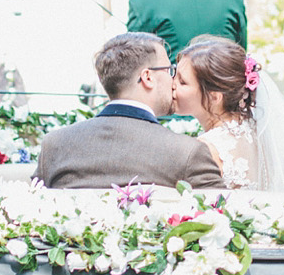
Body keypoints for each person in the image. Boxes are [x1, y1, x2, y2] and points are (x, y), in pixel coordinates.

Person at [35, 32, 223, 190]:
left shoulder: (54, 145)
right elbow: (222, 221)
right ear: (148, 77)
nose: (173, 81)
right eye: (169, 70)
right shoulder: (187, 153)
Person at [172, 35, 284, 195]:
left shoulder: (206, 150)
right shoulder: (260, 132)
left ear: (214, 97)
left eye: (182, 82)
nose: (172, 84)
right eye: (174, 74)